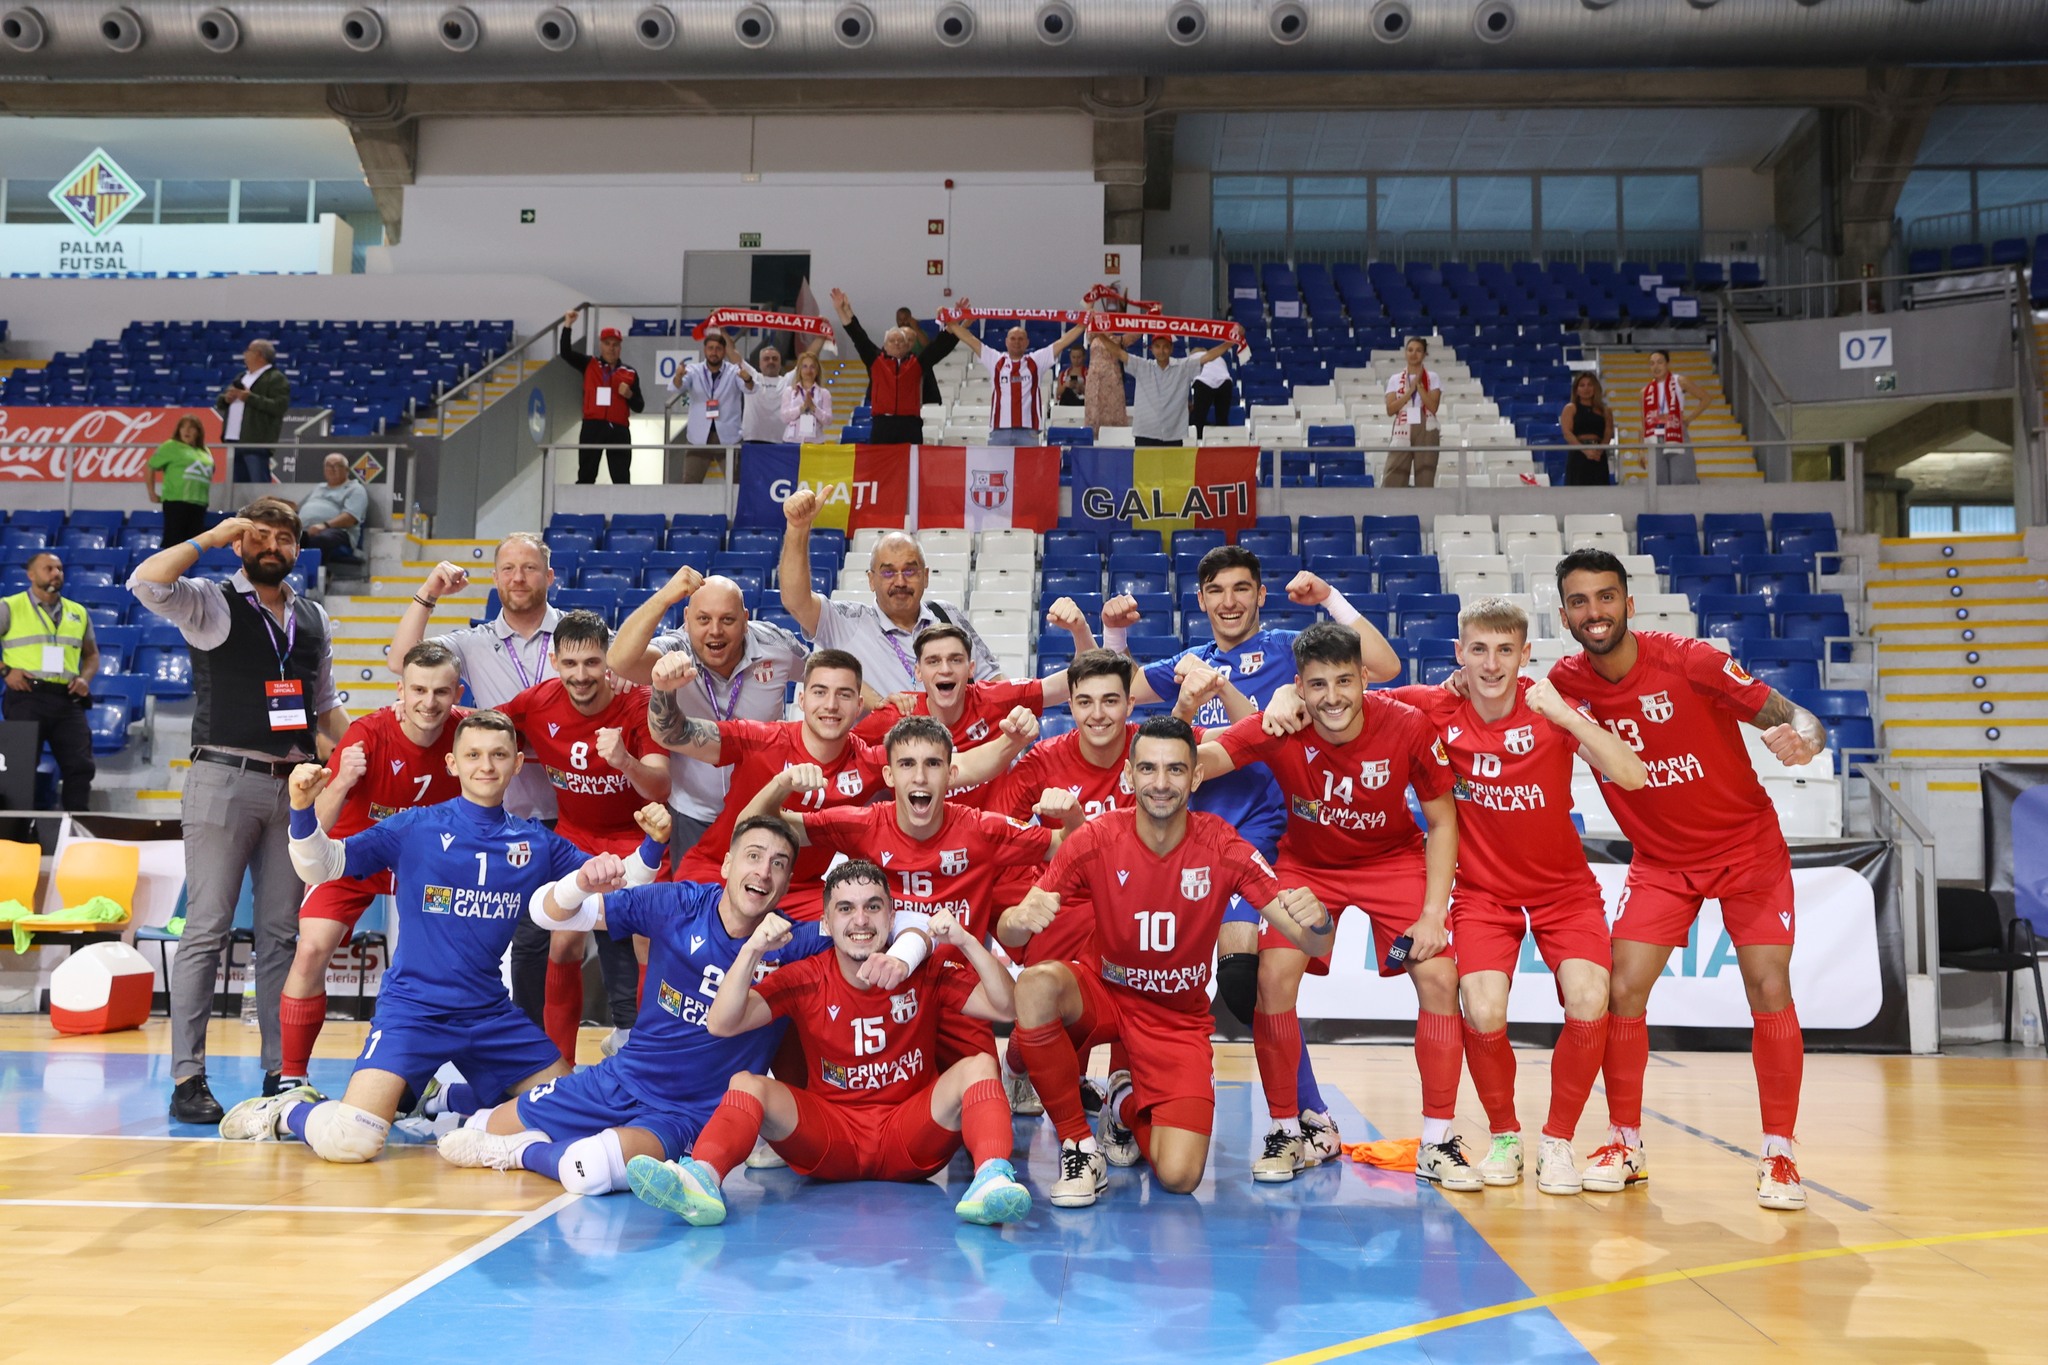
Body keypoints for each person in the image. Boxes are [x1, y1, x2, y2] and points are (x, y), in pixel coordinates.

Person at [1546, 548, 1828, 1209]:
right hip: (1661, 860)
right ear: (1565, 614)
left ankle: (1780, 1154)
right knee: (1622, 990)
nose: (1595, 612)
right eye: (1581, 601)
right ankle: (1625, 1142)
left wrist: (1804, 736)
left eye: (1606, 597)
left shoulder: (1691, 661)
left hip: (1745, 848)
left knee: (1769, 984)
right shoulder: (1564, 682)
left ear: (1629, 603)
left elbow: (1795, 717)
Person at [215, 711, 624, 1164]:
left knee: (575, 1114)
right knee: (352, 1142)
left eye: (498, 755)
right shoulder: (415, 827)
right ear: (452, 763)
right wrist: (300, 810)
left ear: (517, 763)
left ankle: (442, 1099)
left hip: (488, 1013)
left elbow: (613, 890)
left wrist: (636, 856)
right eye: (473, 755)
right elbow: (320, 866)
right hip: (414, 1010)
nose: (485, 765)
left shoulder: (537, 844)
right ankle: (287, 1109)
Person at [1105, 549, 1403, 1164]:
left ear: (1262, 595)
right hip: (1179, 843)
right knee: (1145, 969)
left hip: (1258, 839)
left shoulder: (1290, 649)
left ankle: (1307, 1112)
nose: (1229, 601)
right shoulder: (1188, 664)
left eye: (1242, 588)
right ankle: (1129, 1101)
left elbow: (1384, 664)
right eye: (1216, 590)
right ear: (1202, 599)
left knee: (1247, 984)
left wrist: (1328, 599)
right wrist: (1114, 633)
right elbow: (1117, 695)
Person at [1004, 716, 1333, 1207]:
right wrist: (1019, 916)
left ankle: (1124, 1102)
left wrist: (1320, 921)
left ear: (1196, 777)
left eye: (1176, 770)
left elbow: (1310, 943)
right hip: (1104, 993)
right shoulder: (1093, 839)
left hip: (1175, 1019)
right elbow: (1012, 929)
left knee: (1180, 1177)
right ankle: (1079, 1144)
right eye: (1149, 769)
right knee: (1034, 985)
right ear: (1129, 777)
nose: (1161, 783)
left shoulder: (1222, 844)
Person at [1379, 597, 1647, 1194]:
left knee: (1588, 996)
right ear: (1459, 654)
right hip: (1483, 895)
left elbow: (1632, 774)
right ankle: (1505, 1138)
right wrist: (1291, 697)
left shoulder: (1553, 707)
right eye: (1479, 649)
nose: (1492, 663)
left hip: (1564, 891)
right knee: (1482, 1006)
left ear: (1526, 654)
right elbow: (1350, 700)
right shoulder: (1435, 706)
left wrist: (1571, 718)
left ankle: (1556, 1143)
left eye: (1505, 650)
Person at [1194, 623, 1466, 1188]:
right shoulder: (1281, 723)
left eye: (1345, 681)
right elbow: (1210, 759)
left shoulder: (1407, 725)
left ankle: (1439, 1141)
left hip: (1392, 861)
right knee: (1272, 980)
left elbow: (1442, 819)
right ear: (1298, 686)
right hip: (1307, 867)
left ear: (1365, 679)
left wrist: (1434, 914)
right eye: (1317, 685)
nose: (1333, 697)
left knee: (1440, 979)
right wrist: (1156, 762)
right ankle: (1288, 1130)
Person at [434, 812, 833, 1195]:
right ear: (727, 865)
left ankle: (525, 1152)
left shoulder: (795, 944)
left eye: (778, 864)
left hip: (687, 1115)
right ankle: (449, 1100)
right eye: (753, 856)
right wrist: (580, 882)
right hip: (620, 1079)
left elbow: (872, 930)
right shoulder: (679, 903)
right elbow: (548, 914)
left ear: (787, 882)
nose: (763, 871)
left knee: (588, 1170)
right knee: (479, 1130)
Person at [624, 862, 1033, 1229]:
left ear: (892, 917)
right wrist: (751, 950)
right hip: (831, 1137)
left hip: (910, 1135)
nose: (861, 920)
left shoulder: (922, 971)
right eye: (845, 909)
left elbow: (1008, 1005)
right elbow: (721, 1022)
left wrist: (964, 940)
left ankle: (992, 1179)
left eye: (873, 907)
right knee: (747, 1083)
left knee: (979, 1065)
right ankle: (700, 1180)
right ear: (826, 920)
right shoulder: (806, 976)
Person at [128, 498, 346, 1122]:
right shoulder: (210, 600)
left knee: (282, 934)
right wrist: (212, 534)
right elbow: (145, 580)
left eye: (284, 536)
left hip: (293, 788)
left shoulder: (313, 617)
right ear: (241, 542)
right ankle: (187, 1078)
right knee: (207, 929)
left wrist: (364, 759)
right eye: (259, 535)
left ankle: (283, 1070)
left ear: (297, 549)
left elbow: (325, 709)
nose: (271, 545)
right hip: (223, 776)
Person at [741, 715, 1075, 1069]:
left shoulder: (980, 829)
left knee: (982, 1097)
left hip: (960, 997)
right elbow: (754, 827)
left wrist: (1071, 815)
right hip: (883, 994)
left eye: (932, 764)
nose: (919, 776)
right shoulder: (862, 824)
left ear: (951, 775)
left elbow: (1067, 844)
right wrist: (780, 784)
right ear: (889, 776)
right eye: (906, 764)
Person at [658, 650, 1031, 919]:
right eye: (819, 692)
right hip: (717, 870)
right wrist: (662, 690)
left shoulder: (869, 760)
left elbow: (963, 767)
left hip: (800, 888)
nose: (831, 705)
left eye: (844, 695)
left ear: (859, 708)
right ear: (801, 700)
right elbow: (674, 735)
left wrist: (1010, 740)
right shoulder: (759, 738)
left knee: (856, 929)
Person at [386, 533, 565, 1027]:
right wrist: (431, 590)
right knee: (501, 940)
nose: (518, 578)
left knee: (555, 937)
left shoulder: (574, 636)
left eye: (529, 568)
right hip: (497, 818)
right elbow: (402, 661)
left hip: (567, 810)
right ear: (495, 578)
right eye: (507, 568)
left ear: (549, 577)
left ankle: (537, 1050)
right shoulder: (472, 641)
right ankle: (495, 1042)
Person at [275, 641, 467, 1092]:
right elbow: (315, 826)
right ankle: (291, 1077)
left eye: (441, 692)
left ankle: (417, 1076)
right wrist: (341, 779)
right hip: (355, 854)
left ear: (457, 693)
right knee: (310, 949)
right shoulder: (366, 734)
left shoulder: (466, 734)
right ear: (400, 690)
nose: (429, 702)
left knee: (433, 967)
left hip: (425, 865)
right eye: (418, 690)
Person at [497, 610, 672, 1064]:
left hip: (637, 839)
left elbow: (660, 785)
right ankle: (557, 1065)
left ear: (609, 663)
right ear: (555, 662)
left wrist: (624, 762)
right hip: (574, 838)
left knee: (641, 937)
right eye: (570, 664)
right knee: (562, 938)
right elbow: (479, 728)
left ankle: (638, 1046)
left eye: (592, 663)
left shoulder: (638, 703)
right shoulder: (535, 701)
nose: (581, 675)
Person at [609, 566, 809, 857]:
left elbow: (826, 672)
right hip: (693, 813)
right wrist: (665, 596)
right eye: (703, 619)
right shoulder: (675, 650)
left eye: (727, 619)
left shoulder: (776, 645)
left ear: (745, 620)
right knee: (695, 900)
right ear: (687, 620)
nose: (715, 630)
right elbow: (618, 661)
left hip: (765, 811)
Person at [777, 487, 1000, 696]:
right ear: (871, 580)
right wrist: (798, 529)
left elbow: (993, 681)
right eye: (888, 573)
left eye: (910, 571)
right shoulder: (847, 622)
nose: (900, 581)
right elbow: (796, 601)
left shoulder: (947, 616)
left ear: (926, 576)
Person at [850, 615, 1095, 800]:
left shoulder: (994, 697)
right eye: (933, 661)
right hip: (922, 846)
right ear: (919, 672)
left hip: (992, 843)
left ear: (971, 668)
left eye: (955, 660)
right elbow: (840, 754)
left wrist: (1080, 630)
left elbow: (1081, 679)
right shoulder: (897, 715)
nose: (945, 669)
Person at [0, 550, 99, 813]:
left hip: (67, 698)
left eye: (59, 568)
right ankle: (15, 832)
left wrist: (85, 679)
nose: (56, 573)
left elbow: (92, 656)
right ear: (31, 575)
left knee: (80, 766)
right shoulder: (9, 606)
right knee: (20, 767)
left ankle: (76, 827)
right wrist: (6, 671)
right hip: (26, 696)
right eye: (49, 568)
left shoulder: (77, 612)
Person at [830, 288, 964, 444]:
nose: (897, 344)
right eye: (892, 341)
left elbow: (940, 347)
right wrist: (842, 310)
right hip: (882, 426)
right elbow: (858, 336)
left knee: (911, 468)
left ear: (908, 346)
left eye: (901, 341)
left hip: (910, 426)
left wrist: (956, 322)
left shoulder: (916, 364)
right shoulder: (875, 361)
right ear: (884, 346)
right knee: (881, 468)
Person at [940, 315, 1086, 447]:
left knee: (1027, 476)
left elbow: (1062, 342)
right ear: (1006, 342)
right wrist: (951, 323)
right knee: (999, 474)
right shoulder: (995, 360)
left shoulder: (1036, 361)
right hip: (999, 431)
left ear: (1027, 342)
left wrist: (1083, 324)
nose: (1017, 342)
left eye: (1021, 339)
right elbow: (970, 340)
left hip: (1028, 432)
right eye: (1013, 339)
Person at [1092, 332, 1238, 447]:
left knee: (1172, 481)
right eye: (1158, 346)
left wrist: (1231, 341)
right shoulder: (1142, 366)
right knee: (1145, 480)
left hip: (1173, 436)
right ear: (1152, 349)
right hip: (1145, 434)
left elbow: (1208, 356)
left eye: (1165, 346)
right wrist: (1099, 334)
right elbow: (1118, 353)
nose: (1162, 350)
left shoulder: (1183, 367)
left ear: (1171, 348)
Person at [558, 308, 644, 486]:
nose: (611, 348)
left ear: (620, 348)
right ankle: (582, 513)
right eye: (607, 344)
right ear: (600, 345)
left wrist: (629, 394)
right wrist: (568, 325)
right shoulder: (589, 364)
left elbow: (639, 406)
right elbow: (565, 353)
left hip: (619, 429)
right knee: (586, 476)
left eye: (615, 344)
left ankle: (623, 513)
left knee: (621, 478)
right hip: (592, 426)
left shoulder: (630, 372)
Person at [667, 327, 753, 484]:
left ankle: (734, 510)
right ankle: (689, 510)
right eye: (711, 348)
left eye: (718, 349)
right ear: (704, 350)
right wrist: (678, 375)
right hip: (699, 438)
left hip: (728, 437)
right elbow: (676, 387)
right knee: (690, 485)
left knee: (737, 485)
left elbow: (751, 389)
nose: (714, 352)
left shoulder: (734, 371)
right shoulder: (693, 370)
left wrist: (748, 379)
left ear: (724, 351)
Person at [215, 338, 289, 487]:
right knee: (236, 489)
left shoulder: (275, 378)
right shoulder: (241, 376)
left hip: (255, 441)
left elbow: (279, 406)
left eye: (248, 351)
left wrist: (250, 398)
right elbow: (221, 401)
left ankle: (264, 510)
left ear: (259, 354)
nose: (245, 354)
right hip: (233, 439)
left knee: (258, 487)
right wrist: (226, 398)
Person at [1641, 349, 1710, 487]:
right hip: (1654, 437)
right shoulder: (1645, 391)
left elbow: (1706, 398)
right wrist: (1641, 450)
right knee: (1659, 484)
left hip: (1676, 433)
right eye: (1652, 363)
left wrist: (1688, 419)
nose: (1656, 366)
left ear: (1667, 363)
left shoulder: (1680, 381)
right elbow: (1643, 422)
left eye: (1660, 362)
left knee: (1681, 480)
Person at [144, 414, 215, 545]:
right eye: (183, 427)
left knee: (194, 547)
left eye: (191, 428)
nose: (187, 431)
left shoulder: (205, 451)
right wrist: (151, 493)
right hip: (176, 502)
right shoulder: (171, 446)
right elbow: (150, 466)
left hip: (199, 503)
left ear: (198, 432)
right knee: (173, 543)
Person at [1382, 335, 1442, 488]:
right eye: (1410, 350)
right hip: (1403, 423)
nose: (1413, 354)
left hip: (1427, 427)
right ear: (1405, 353)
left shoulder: (1433, 377)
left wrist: (1419, 387)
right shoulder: (1395, 379)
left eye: (1418, 350)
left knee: (1425, 479)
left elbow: (1433, 407)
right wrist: (1409, 392)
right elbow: (1390, 409)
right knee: (1393, 477)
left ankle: (1423, 512)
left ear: (1424, 354)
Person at [296, 453, 369, 560]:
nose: (332, 469)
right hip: (307, 529)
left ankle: (315, 574)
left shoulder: (355, 489)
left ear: (347, 470)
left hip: (338, 531)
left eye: (337, 465)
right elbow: (297, 508)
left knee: (321, 539)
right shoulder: (319, 487)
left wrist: (324, 525)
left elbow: (350, 518)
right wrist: (276, 501)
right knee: (288, 538)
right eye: (328, 465)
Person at [1560, 371, 1616, 487]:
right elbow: (1567, 433)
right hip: (1578, 454)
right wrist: (1585, 450)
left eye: (1590, 385)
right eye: (1582, 385)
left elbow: (1608, 433)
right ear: (1576, 389)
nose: (1586, 388)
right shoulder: (1571, 408)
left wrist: (1599, 451)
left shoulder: (1605, 411)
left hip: (1598, 455)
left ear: (1595, 387)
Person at [1083, 318, 1133, 434]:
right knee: (1094, 413)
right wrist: (1090, 305)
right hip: (1094, 380)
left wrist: (1148, 317)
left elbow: (1136, 334)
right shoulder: (1093, 337)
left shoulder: (1119, 340)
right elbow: (1087, 317)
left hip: (1112, 379)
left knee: (1113, 412)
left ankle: (1115, 439)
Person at [777, 350, 833, 444]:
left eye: (812, 367)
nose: (808, 371)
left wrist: (814, 408)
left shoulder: (824, 393)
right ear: (800, 370)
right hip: (791, 441)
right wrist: (801, 408)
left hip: (815, 443)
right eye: (805, 366)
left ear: (817, 370)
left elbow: (828, 420)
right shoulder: (789, 391)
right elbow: (784, 417)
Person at [1190, 348, 1235, 436]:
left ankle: (1199, 444)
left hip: (1203, 381)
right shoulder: (1219, 358)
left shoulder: (1192, 358)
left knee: (1198, 420)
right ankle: (1223, 443)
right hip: (1225, 382)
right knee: (1222, 420)